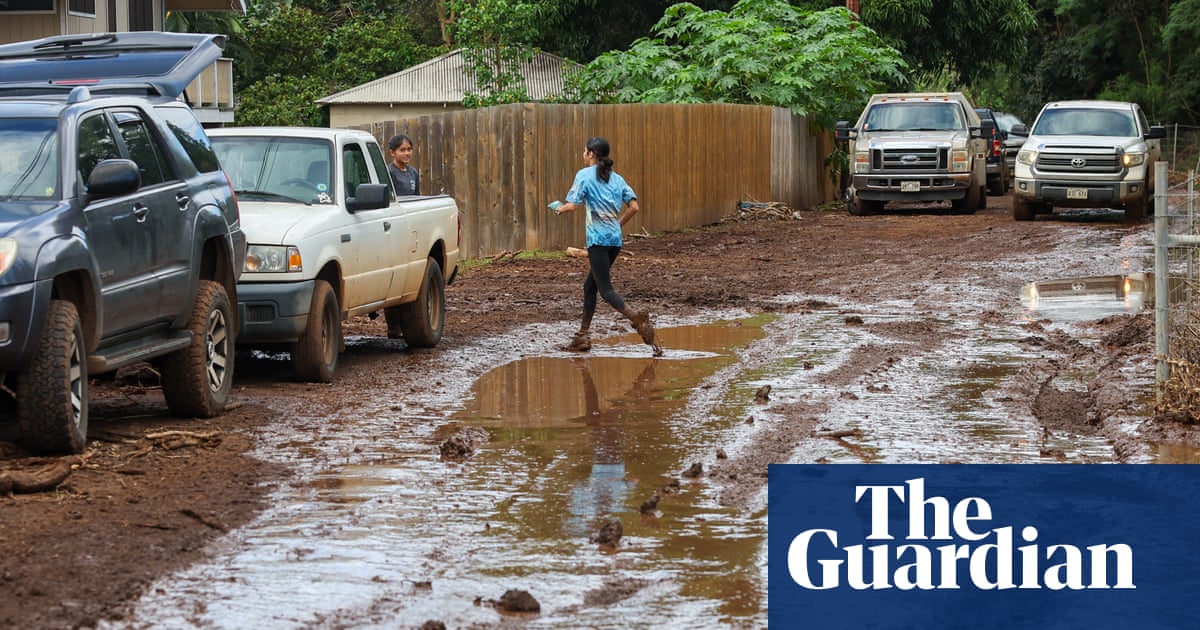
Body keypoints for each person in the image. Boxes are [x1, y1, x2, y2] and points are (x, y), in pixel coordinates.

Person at [553, 137, 660, 356]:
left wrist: (559, 209)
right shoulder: (618, 179)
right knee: (589, 288)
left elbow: (573, 206)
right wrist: (618, 225)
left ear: (591, 153)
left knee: (605, 289)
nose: (583, 154)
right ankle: (583, 336)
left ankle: (636, 319)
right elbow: (634, 207)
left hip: (598, 241)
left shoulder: (584, 175)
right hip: (614, 242)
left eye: (584, 151)